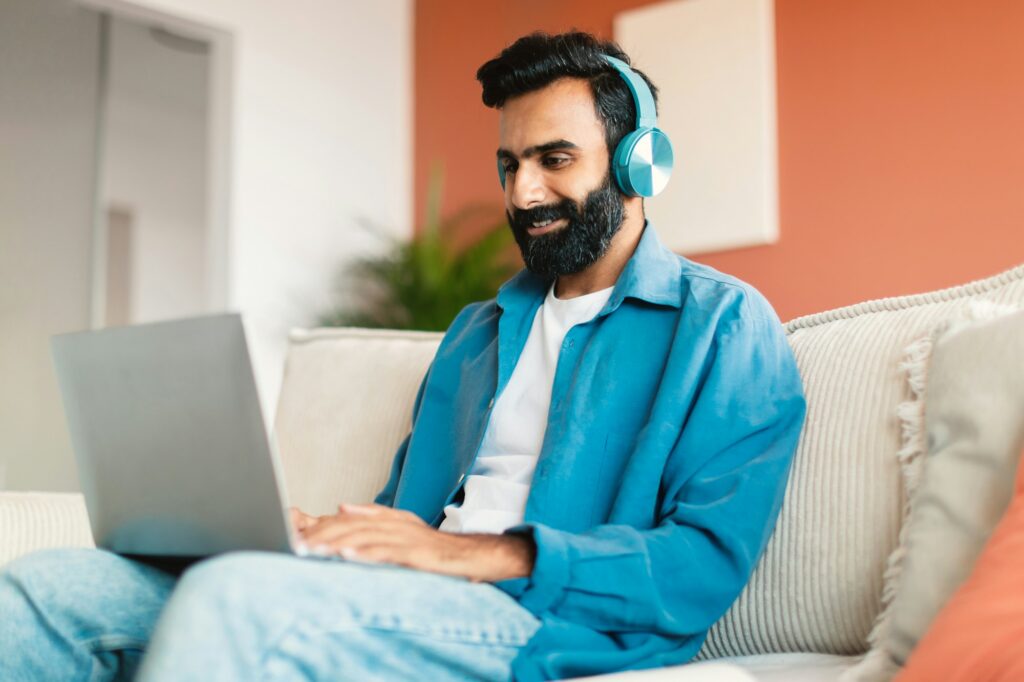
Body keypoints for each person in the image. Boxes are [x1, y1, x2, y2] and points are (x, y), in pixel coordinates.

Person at [0, 31, 805, 681]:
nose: (523, 195)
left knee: (235, 603)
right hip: (405, 594)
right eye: (509, 165)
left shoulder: (724, 326)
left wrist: (475, 554)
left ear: (639, 162)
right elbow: (409, 515)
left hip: (545, 623)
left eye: (554, 159)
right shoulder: (477, 332)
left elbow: (701, 566)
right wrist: (318, 535)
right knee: (44, 590)